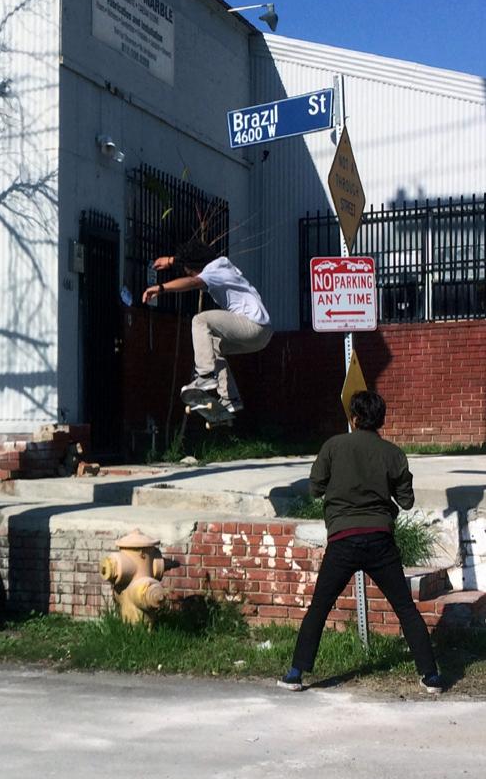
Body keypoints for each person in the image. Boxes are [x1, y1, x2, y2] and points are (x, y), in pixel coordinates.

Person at [277, 390, 442, 694]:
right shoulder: (393, 454)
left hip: (342, 539)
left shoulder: (333, 446)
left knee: (320, 607)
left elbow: (315, 489)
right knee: (405, 607)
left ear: (352, 417)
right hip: (380, 540)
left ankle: (295, 673)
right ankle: (430, 675)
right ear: (381, 420)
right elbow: (406, 501)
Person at [142, 236, 272, 416]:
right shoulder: (220, 266)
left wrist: (161, 288)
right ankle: (230, 398)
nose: (191, 275)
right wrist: (172, 261)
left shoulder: (213, 272)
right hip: (260, 337)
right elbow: (192, 267)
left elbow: (193, 282)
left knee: (200, 320)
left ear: (197, 267)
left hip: (253, 325)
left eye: (190, 272)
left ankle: (204, 376)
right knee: (212, 346)